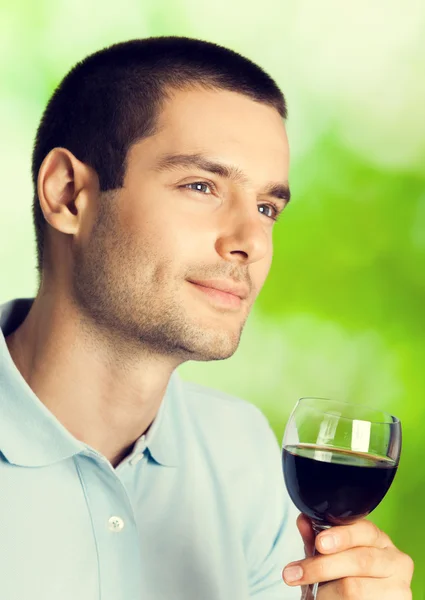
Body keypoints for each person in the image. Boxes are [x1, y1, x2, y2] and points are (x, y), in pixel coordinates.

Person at [0, 37, 413, 600]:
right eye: (201, 186)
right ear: (69, 195)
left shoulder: (241, 449)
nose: (251, 242)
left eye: (267, 208)